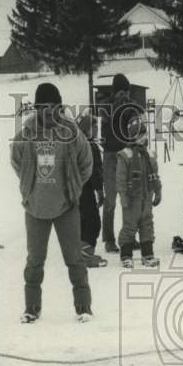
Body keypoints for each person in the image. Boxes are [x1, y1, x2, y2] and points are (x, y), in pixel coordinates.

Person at [10, 82, 94, 323]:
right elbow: (16, 161)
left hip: (66, 206)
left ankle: (83, 307)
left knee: (75, 259)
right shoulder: (26, 134)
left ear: (59, 107)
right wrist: (30, 186)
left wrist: (74, 187)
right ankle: (31, 308)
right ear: (36, 108)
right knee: (34, 261)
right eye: (42, 106)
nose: (47, 110)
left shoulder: (71, 133)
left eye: (52, 106)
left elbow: (86, 163)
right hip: (35, 208)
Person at [100, 73, 142, 254]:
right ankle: (109, 239)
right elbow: (107, 124)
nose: (123, 95)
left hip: (128, 154)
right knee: (110, 199)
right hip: (110, 155)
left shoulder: (131, 107)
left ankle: (129, 236)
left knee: (131, 198)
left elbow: (137, 124)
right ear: (114, 92)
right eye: (120, 92)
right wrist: (120, 105)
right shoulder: (106, 107)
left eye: (126, 92)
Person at [116, 114, 162, 268]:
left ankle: (147, 254)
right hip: (132, 197)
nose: (142, 137)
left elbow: (155, 174)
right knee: (129, 226)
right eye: (138, 134)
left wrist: (158, 191)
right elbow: (121, 178)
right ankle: (126, 255)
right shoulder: (125, 155)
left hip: (146, 196)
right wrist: (123, 195)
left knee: (147, 224)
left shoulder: (149, 154)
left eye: (143, 134)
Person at [76, 114, 106, 268]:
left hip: (75, 189)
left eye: (97, 126)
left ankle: (82, 252)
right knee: (93, 222)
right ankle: (86, 255)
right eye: (93, 126)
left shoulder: (75, 144)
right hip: (86, 189)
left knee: (82, 221)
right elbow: (96, 171)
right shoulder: (90, 146)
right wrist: (100, 191)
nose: (96, 129)